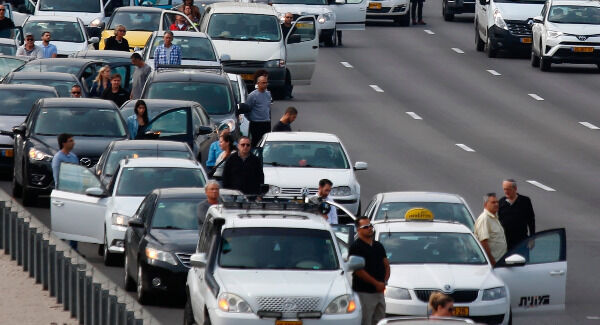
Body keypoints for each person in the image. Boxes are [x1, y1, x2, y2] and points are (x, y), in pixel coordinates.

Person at [349, 216, 390, 325]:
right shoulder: (356, 247)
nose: (369, 228)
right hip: (364, 292)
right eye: (365, 226)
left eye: (370, 225)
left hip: (380, 292)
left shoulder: (378, 245)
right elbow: (358, 270)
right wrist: (376, 283)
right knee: (366, 320)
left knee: (380, 321)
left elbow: (386, 265)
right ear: (358, 229)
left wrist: (384, 282)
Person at [498, 179, 535, 251]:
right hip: (506, 242)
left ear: (515, 189)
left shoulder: (525, 201)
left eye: (508, 189)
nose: (506, 192)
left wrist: (532, 238)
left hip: (521, 241)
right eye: (504, 189)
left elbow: (531, 221)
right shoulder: (501, 202)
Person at [474, 193, 507, 266]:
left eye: (497, 202)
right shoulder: (484, 219)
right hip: (493, 263)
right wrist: (492, 262)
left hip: (500, 260)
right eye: (493, 202)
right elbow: (483, 242)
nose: (496, 204)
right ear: (485, 204)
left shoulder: (494, 217)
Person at [247, 75, 272, 147]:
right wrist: (252, 118)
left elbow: (268, 107)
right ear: (258, 83)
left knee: (266, 143)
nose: (265, 84)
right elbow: (247, 109)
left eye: (266, 83)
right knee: (256, 143)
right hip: (256, 123)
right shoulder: (252, 95)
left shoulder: (268, 94)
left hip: (266, 123)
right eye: (263, 83)